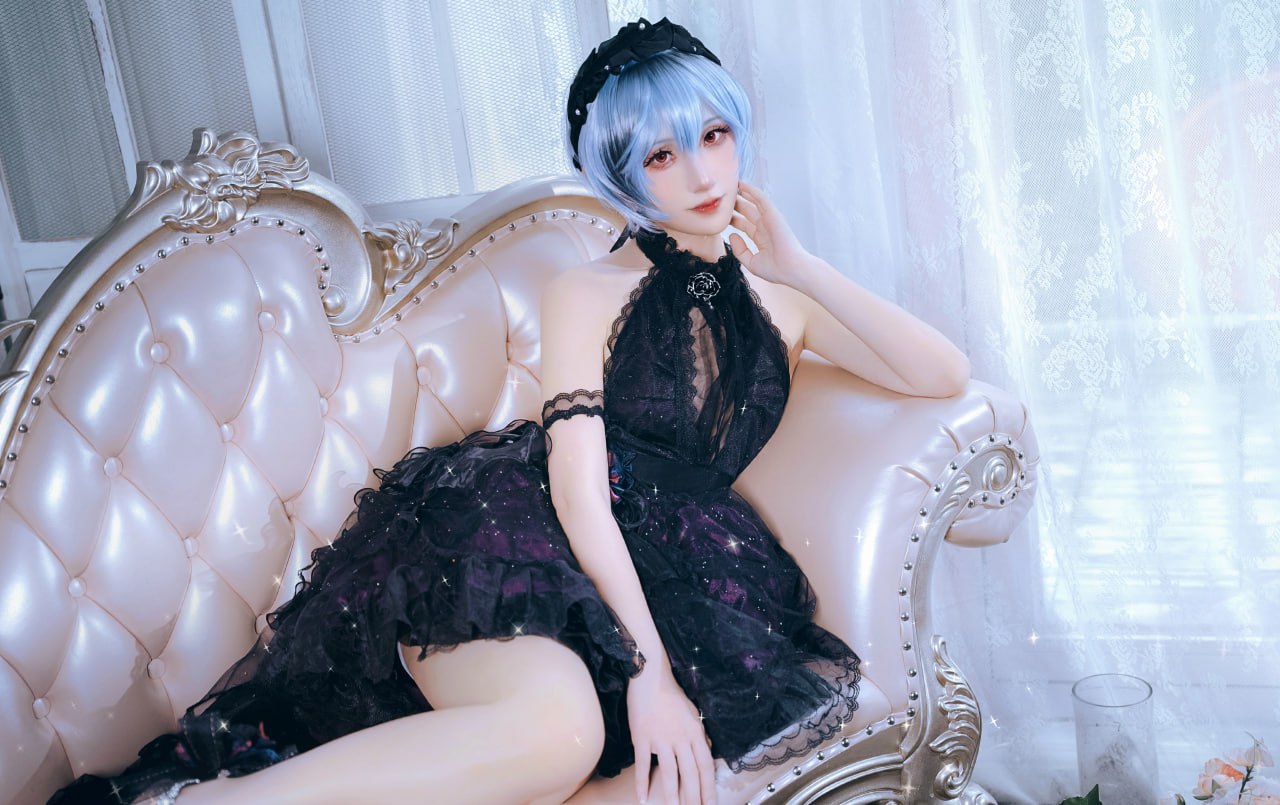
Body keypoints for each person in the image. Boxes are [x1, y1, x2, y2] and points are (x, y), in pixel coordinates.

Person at [49, 16, 969, 805]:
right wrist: (649, 673)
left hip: (684, 574)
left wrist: (803, 267)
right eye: (661, 154)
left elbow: (940, 373)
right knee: (562, 732)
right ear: (623, 173)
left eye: (715, 134)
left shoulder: (784, 296)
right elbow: (580, 495)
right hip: (518, 541)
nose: (701, 172)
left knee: (629, 768)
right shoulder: (588, 290)